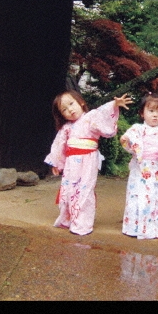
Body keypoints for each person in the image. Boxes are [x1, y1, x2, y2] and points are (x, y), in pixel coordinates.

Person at [44, 90, 133, 235]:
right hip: (71, 163)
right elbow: (59, 145)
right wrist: (56, 163)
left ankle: (83, 224)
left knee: (85, 189)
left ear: (81, 102)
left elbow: (102, 112)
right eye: (64, 110)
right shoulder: (66, 128)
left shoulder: (91, 117)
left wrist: (114, 104)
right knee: (69, 190)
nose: (70, 110)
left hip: (88, 160)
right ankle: (68, 219)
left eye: (71, 104)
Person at [120, 92, 158, 240]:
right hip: (139, 168)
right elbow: (127, 141)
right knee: (136, 196)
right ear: (142, 113)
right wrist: (125, 140)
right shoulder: (137, 128)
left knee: (155, 198)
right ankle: (134, 227)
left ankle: (156, 229)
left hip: (156, 170)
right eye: (151, 110)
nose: (155, 115)